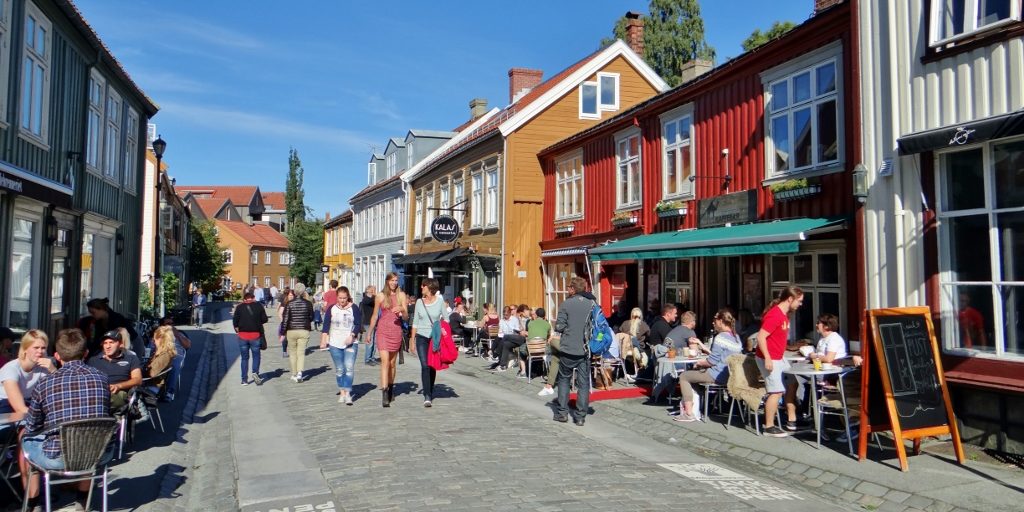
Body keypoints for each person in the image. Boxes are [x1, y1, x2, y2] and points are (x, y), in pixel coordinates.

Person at [22, 329, 112, 512]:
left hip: (57, 458)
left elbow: (32, 425)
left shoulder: (46, 383)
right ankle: (82, 501)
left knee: (26, 438)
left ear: (57, 356)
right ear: (85, 353)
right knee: (90, 438)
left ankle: (33, 502)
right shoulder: (102, 378)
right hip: (98, 454)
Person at [673, 309, 742, 422]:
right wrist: (701, 345)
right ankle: (699, 407)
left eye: (715, 320)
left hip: (717, 375)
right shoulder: (736, 338)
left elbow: (712, 362)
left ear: (721, 321)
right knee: (694, 376)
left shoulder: (720, 337)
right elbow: (721, 357)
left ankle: (688, 413)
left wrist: (699, 363)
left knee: (684, 376)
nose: (713, 323)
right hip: (731, 376)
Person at [783, 313, 847, 431]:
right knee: (794, 375)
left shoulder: (834, 339)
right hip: (821, 370)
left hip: (831, 374)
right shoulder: (823, 339)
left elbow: (829, 358)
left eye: (819, 323)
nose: (816, 325)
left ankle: (800, 411)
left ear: (826, 326)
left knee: (795, 377)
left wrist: (814, 356)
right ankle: (802, 411)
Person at [756, 285, 804, 437]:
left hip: (779, 356)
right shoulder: (775, 315)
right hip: (769, 357)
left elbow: (778, 337)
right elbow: (761, 337)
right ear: (790, 299)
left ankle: (792, 418)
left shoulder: (785, 315)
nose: (800, 304)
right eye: (799, 301)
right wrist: (767, 358)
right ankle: (769, 426)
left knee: (792, 382)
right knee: (776, 391)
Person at [553, 276, 595, 426]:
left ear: (572, 289)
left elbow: (559, 326)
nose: (567, 290)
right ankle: (580, 417)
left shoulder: (566, 304)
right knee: (583, 384)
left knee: (564, 380)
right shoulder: (592, 303)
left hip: (568, 348)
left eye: (569, 287)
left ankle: (562, 413)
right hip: (585, 349)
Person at [369, 272, 407, 407]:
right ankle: (385, 394)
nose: (394, 283)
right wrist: (369, 333)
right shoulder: (380, 296)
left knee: (392, 363)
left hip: (396, 331)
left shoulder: (401, 295)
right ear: (387, 281)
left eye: (396, 280)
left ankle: (391, 388)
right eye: (392, 280)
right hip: (382, 331)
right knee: (384, 362)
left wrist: (402, 309)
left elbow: (406, 317)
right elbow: (375, 315)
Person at [320, 286, 363, 405]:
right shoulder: (332, 309)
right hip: (335, 343)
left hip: (351, 343)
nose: (342, 300)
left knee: (349, 368)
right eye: (340, 298)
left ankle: (348, 393)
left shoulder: (353, 308)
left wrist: (352, 335)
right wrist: (323, 340)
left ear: (348, 297)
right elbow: (326, 325)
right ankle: (342, 392)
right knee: (340, 369)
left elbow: (358, 324)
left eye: (344, 298)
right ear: (337, 297)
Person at [409, 278, 445, 407]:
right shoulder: (419, 302)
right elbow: (415, 322)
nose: (421, 287)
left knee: (432, 366)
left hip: (434, 338)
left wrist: (441, 328)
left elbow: (446, 319)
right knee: (425, 366)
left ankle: (430, 388)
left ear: (429, 287)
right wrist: (412, 340)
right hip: (421, 337)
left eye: (423, 285)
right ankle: (427, 395)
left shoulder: (440, 302)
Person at [86, 329, 142, 411]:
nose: (108, 346)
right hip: (97, 393)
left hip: (119, 394)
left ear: (120, 344)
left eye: (111, 342)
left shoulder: (131, 358)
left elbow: (138, 379)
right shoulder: (93, 360)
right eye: (105, 343)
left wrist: (119, 386)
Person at [0, 330, 55, 414]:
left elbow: (59, 391)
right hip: (5, 407)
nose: (40, 351)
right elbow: (20, 409)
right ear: (25, 349)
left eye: (43, 348)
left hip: (29, 404)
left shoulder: (44, 367)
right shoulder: (11, 369)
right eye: (36, 347)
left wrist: (53, 370)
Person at [232, 291, 267, 386]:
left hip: (242, 336)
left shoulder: (239, 307)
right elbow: (265, 319)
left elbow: (235, 321)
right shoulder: (259, 306)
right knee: (256, 356)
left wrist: (237, 330)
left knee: (244, 358)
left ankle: (244, 380)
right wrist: (257, 321)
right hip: (255, 335)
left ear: (244, 299)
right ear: (253, 298)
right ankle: (255, 372)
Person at [282, 283, 314, 383]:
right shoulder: (308, 303)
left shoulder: (289, 303)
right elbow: (311, 317)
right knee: (301, 353)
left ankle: (294, 374)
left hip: (291, 330)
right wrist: (306, 321)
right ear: (304, 291)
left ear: (295, 292)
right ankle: (300, 373)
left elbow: (285, 319)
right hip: (304, 330)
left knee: (292, 353)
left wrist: (283, 332)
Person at [158, 316, 192, 401]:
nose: (171, 325)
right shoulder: (159, 334)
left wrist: (178, 336)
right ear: (162, 326)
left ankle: (170, 392)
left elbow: (188, 345)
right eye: (168, 324)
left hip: (177, 355)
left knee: (174, 365)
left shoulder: (179, 333)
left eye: (172, 323)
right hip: (162, 354)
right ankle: (153, 389)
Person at [144, 326, 177, 394]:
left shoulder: (165, 356)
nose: (153, 341)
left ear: (161, 340)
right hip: (150, 381)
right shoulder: (162, 352)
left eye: (155, 339)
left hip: (152, 385)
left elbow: (151, 374)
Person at [521, 307, 552, 379]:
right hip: (543, 350)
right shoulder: (547, 324)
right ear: (544, 315)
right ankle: (548, 372)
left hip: (531, 350)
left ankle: (523, 371)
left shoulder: (530, 323)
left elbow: (529, 335)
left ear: (536, 315)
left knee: (521, 349)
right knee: (551, 350)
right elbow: (548, 336)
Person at [493, 305, 525, 372]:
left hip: (514, 337)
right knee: (505, 343)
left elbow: (516, 330)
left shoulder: (514, 319)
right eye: (504, 315)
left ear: (510, 313)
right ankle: (503, 365)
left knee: (506, 337)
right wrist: (501, 333)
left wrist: (510, 331)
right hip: (505, 338)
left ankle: (496, 353)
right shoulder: (502, 320)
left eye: (507, 315)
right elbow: (500, 331)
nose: (505, 316)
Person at [361, 285, 378, 365]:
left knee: (375, 341)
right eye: (372, 290)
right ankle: (367, 359)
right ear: (367, 290)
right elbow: (370, 301)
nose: (373, 291)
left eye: (374, 290)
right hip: (368, 322)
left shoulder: (373, 299)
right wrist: (374, 295)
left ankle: (372, 357)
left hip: (375, 322)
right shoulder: (366, 299)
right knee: (370, 341)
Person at [278, 288, 294, 358]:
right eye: (290, 295)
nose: (291, 296)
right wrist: (282, 321)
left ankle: (293, 351)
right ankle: (284, 351)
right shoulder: (284, 303)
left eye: (292, 295)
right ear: (287, 296)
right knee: (285, 338)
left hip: (293, 323)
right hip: (285, 323)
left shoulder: (295, 303)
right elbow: (280, 313)